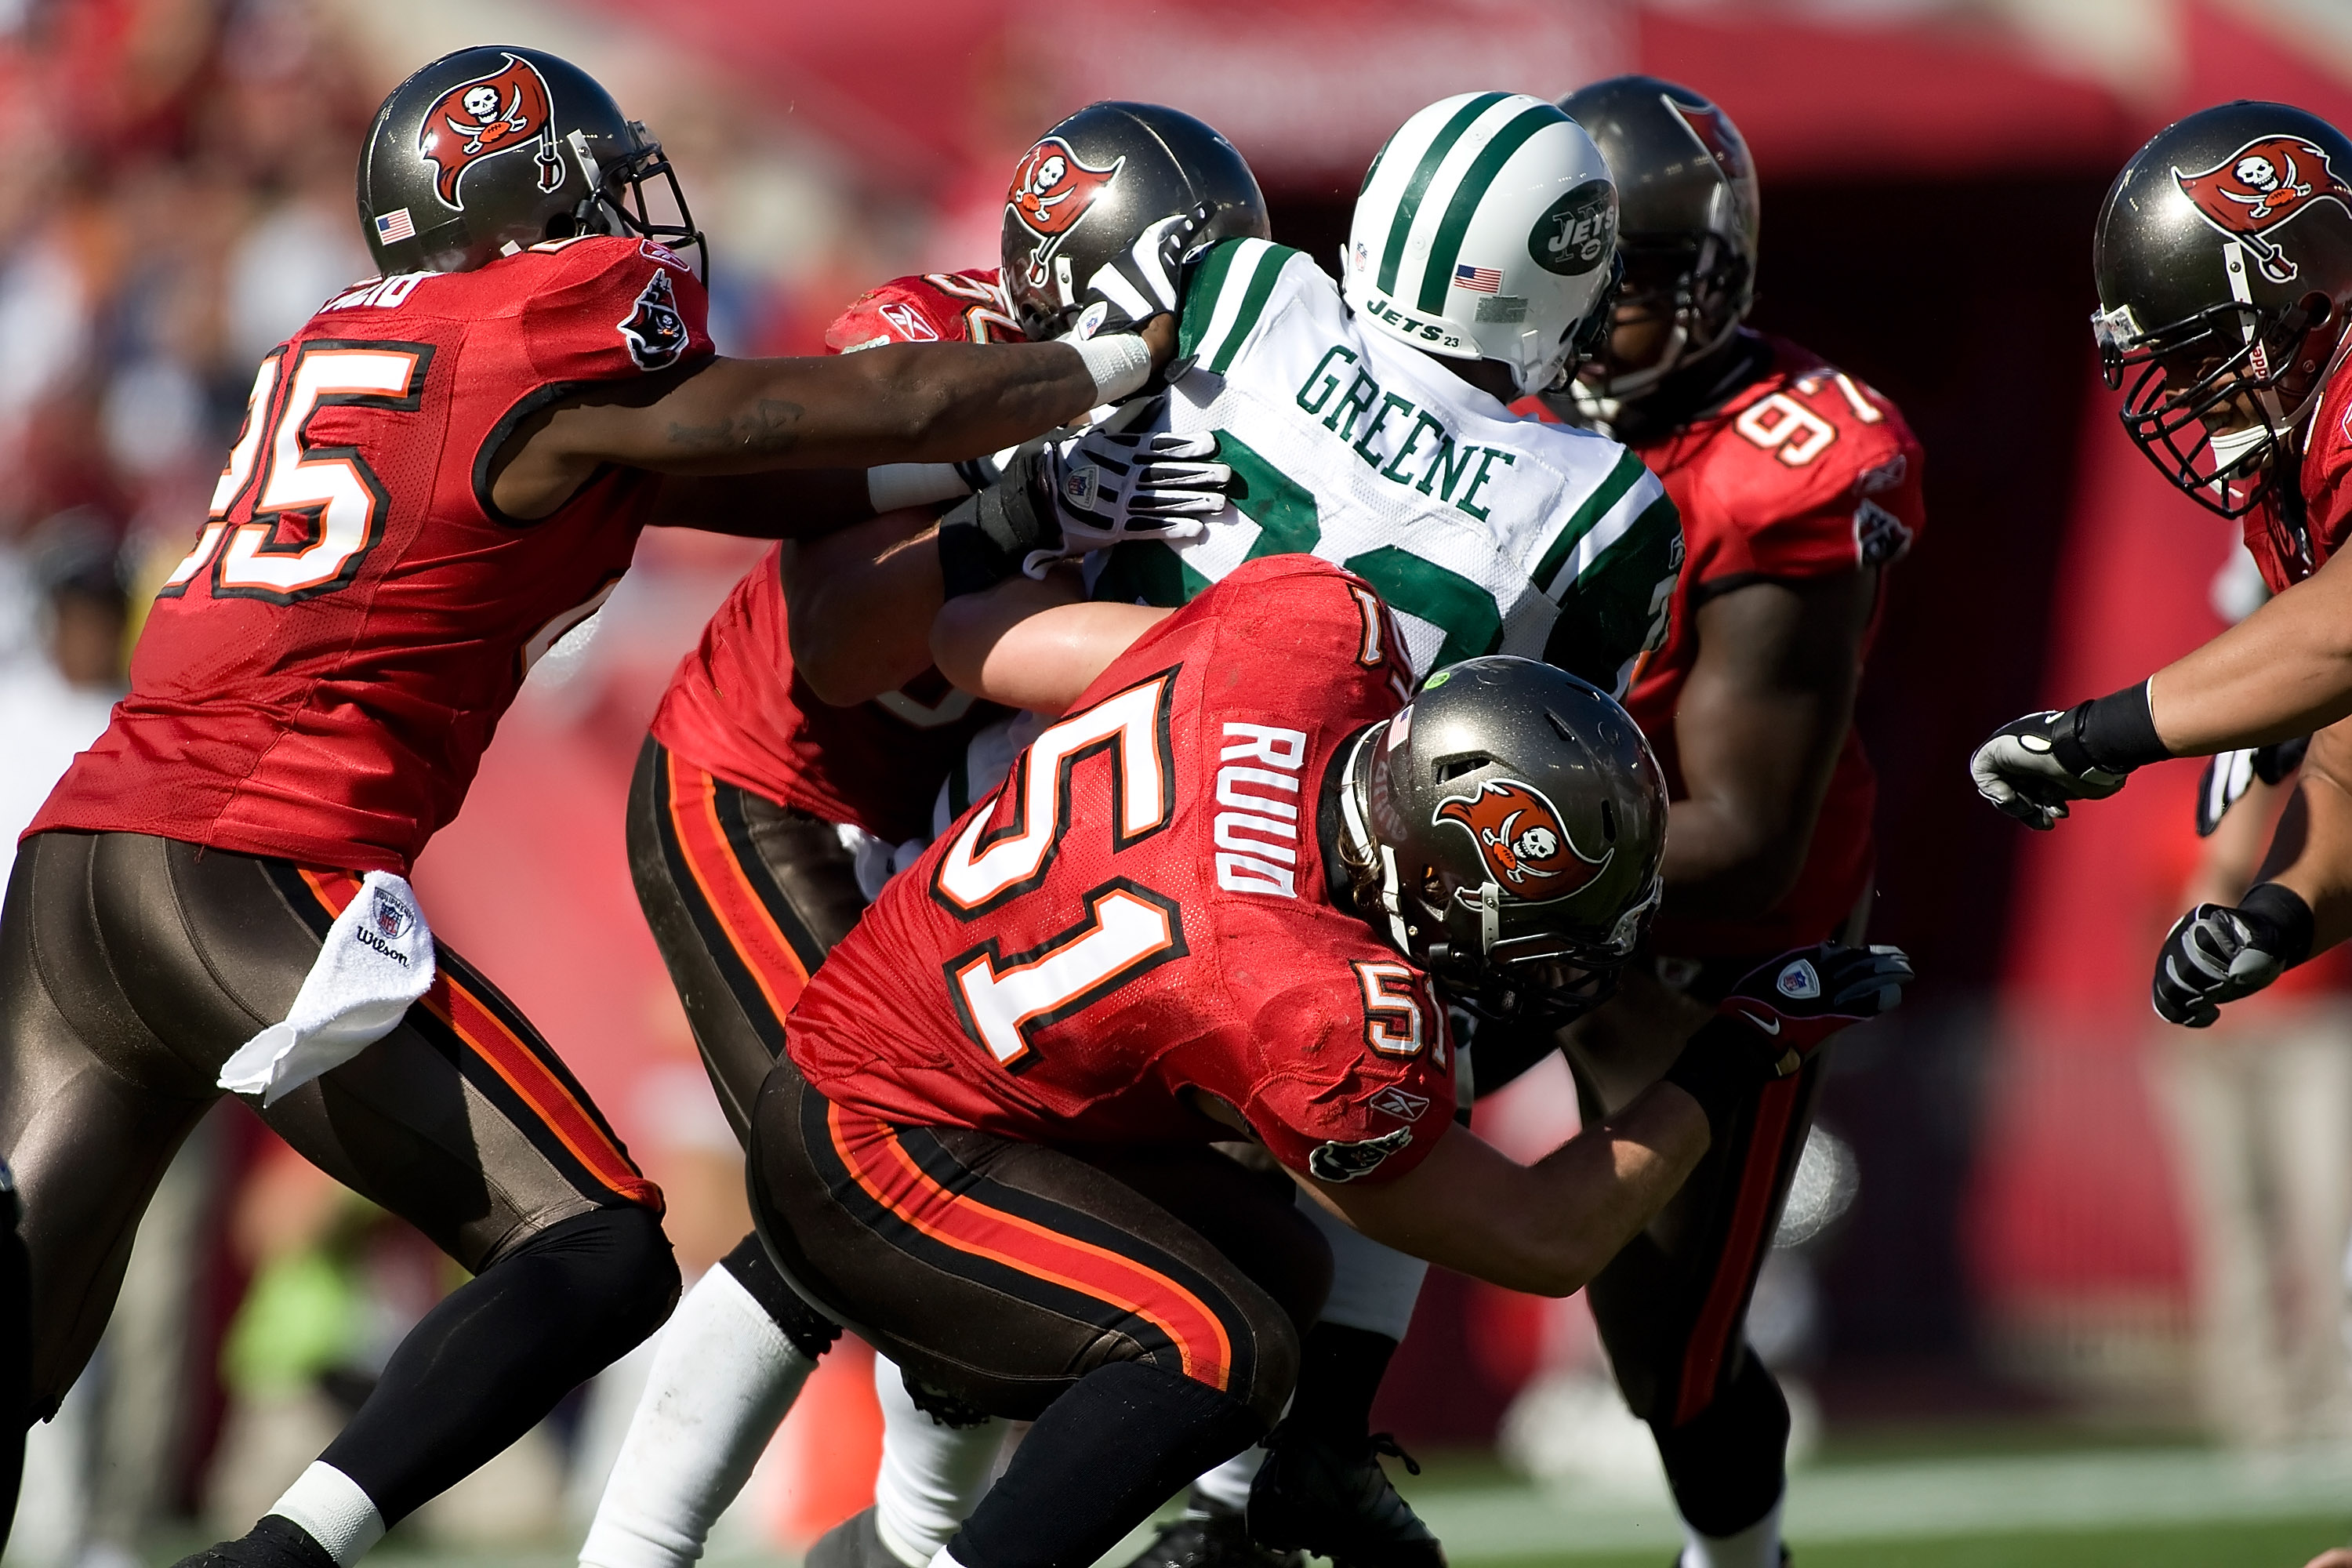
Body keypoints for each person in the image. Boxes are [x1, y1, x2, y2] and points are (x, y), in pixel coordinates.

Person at [0, 42, 1179, 1568]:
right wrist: (1105, 364)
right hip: (252, 862)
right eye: (602, 191)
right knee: (599, 1249)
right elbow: (847, 404)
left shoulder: (348, 339)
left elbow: (756, 473)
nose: (631, 220)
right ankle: (277, 1559)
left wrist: (997, 486)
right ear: (531, 210)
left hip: (81, 863)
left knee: (20, 1349)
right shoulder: (533, 326)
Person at [746, 551, 1911, 1568]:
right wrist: (1742, 1047)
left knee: (1279, 1265)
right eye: (1525, 926)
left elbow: (983, 643)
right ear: (1432, 868)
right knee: (1219, 1351)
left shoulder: (1306, 632)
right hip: (876, 1142)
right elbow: (1542, 1236)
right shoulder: (1313, 1005)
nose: (1547, 966)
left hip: (899, 1043)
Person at [579, 100, 1261, 1568]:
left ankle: (905, 1543)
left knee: (972, 1183)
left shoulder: (1230, 407)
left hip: (958, 839)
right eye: (1212, 280)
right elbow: (838, 647)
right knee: (843, 1186)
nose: (1235, 316)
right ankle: (636, 1553)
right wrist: (1011, 508)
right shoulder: (933, 344)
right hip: (774, 790)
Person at [1467, 78, 1920, 1568]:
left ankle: (1742, 1557)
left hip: (1711, 939)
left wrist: (1468, 860)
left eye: (1642, 274)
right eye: (1578, 271)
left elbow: (1745, 833)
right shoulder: (1481, 403)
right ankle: (1256, 1496)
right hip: (1495, 861)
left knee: (1669, 1358)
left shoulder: (1784, 462)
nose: (1601, 314)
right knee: (1309, 1119)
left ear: (1722, 270)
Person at [1965, 101, 2352, 1028]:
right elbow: (2347, 769)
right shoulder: (2294, 481)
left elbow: (2345, 631)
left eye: (2202, 350)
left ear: (2306, 303)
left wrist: (2099, 736)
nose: (2181, 390)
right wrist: (2275, 917)